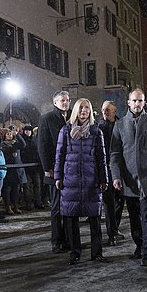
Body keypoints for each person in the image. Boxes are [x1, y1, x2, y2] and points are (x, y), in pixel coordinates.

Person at [110, 89, 147, 268]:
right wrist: (116, 176)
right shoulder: (119, 125)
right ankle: (139, 245)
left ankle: (146, 252)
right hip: (129, 181)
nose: (137, 104)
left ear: (144, 103)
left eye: (140, 101)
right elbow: (115, 153)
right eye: (134, 101)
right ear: (128, 102)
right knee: (134, 218)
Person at [54, 98, 109, 265]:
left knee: (94, 220)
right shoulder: (65, 131)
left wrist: (103, 178)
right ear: (76, 110)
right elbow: (59, 155)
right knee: (71, 220)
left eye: (87, 107)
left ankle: (97, 253)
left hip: (91, 180)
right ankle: (75, 253)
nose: (84, 110)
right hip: (70, 180)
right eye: (81, 108)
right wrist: (58, 176)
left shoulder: (96, 132)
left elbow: (102, 157)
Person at [38, 91, 71, 253]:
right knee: (57, 207)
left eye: (67, 100)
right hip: (54, 169)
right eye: (62, 100)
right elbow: (42, 145)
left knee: (69, 207)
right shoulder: (47, 118)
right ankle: (56, 241)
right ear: (55, 102)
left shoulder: (73, 117)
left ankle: (68, 239)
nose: (65, 103)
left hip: (70, 169)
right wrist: (47, 168)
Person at [98, 100, 125, 245]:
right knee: (109, 202)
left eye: (107, 110)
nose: (104, 112)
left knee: (120, 201)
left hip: (121, 168)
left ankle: (114, 228)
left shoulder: (122, 125)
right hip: (107, 169)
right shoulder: (99, 127)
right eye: (103, 110)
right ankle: (112, 233)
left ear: (114, 112)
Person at [0, 128, 26, 215]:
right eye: (8, 134)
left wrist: (17, 134)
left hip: (16, 170)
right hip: (8, 170)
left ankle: (16, 206)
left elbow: (23, 144)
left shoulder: (16, 143)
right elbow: (7, 150)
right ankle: (8, 207)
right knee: (7, 190)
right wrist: (13, 149)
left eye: (11, 134)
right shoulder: (3, 144)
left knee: (16, 189)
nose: (10, 136)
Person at [20, 124, 44, 211]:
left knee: (37, 185)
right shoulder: (22, 140)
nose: (28, 132)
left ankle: (38, 202)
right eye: (26, 131)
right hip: (26, 167)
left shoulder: (35, 140)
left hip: (35, 167)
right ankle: (29, 203)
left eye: (29, 131)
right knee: (27, 186)